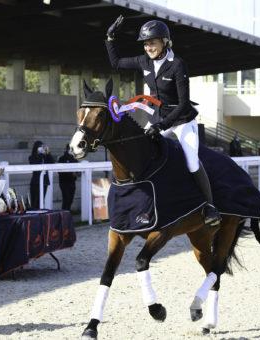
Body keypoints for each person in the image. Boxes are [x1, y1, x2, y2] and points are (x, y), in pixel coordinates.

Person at [105, 15, 221, 225]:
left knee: (191, 161)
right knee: (142, 153)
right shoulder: (144, 61)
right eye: (146, 44)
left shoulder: (177, 65)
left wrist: (161, 126)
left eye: (152, 43)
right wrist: (110, 38)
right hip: (158, 118)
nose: (148, 47)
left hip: (182, 121)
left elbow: (184, 104)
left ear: (164, 42)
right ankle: (144, 203)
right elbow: (116, 63)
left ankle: (209, 207)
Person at [29, 141, 54, 209]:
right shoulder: (32, 157)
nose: (41, 148)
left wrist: (48, 153)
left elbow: (52, 162)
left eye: (42, 147)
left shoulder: (45, 156)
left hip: (44, 182)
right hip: (35, 182)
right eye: (40, 147)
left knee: (41, 201)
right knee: (34, 202)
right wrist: (40, 154)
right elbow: (34, 164)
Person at [58, 144, 78, 211]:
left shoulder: (74, 159)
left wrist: (75, 174)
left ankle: (67, 213)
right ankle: (64, 214)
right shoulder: (62, 158)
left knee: (70, 199)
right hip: (64, 182)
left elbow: (78, 171)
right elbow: (60, 171)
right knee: (66, 199)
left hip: (72, 182)